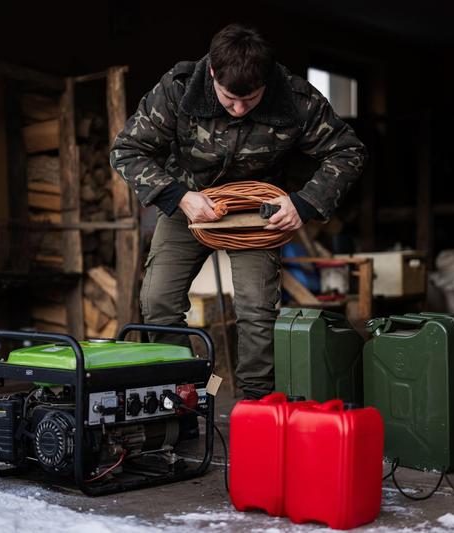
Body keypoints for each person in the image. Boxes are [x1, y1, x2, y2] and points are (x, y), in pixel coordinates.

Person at [110, 23, 366, 399]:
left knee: (257, 311)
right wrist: (180, 197)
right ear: (212, 72)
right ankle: (183, 395)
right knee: (158, 300)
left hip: (258, 213)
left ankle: (255, 406)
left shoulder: (295, 97)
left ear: (267, 80)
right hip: (189, 203)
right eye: (230, 100)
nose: (240, 109)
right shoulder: (179, 88)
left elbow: (348, 151)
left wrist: (304, 202)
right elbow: (126, 150)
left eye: (252, 99)